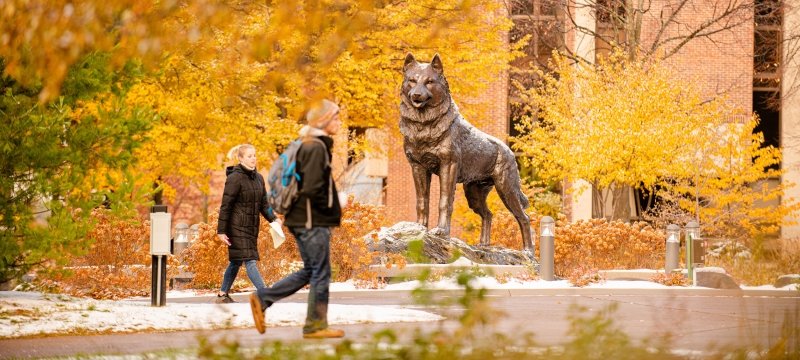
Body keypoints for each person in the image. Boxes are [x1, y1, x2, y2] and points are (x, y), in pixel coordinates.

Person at [249, 99, 345, 338]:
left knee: (312, 270)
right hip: (312, 220)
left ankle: (263, 299)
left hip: (302, 218)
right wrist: (338, 202)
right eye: (335, 117)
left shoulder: (309, 144)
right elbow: (313, 189)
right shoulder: (315, 147)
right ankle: (315, 325)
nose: (339, 122)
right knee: (321, 271)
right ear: (324, 120)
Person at [216, 144, 278, 304]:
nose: (253, 159)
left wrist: (273, 218)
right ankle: (265, 294)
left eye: (254, 155)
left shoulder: (259, 178)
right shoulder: (234, 178)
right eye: (249, 156)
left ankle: (223, 294)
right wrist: (221, 231)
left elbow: (263, 204)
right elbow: (226, 205)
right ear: (241, 158)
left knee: (236, 261)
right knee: (249, 260)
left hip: (251, 227)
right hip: (235, 227)